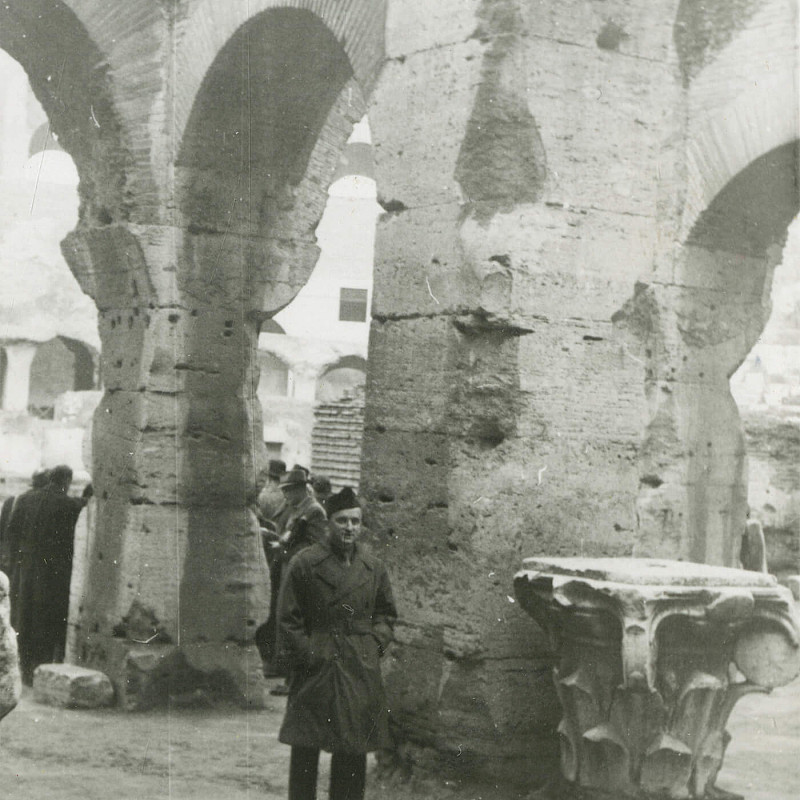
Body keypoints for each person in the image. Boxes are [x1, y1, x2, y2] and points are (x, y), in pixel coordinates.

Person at [276, 487, 397, 800]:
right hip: (317, 664)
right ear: (328, 523)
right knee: (306, 747)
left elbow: (386, 614)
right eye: (342, 521)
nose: (349, 528)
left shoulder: (373, 568)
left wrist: (373, 645)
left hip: (358, 665)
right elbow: (288, 619)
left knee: (353, 748)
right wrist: (310, 654)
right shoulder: (305, 563)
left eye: (355, 521)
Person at [5, 465, 92, 683]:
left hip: (24, 571)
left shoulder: (24, 499)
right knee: (47, 620)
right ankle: (41, 668)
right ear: (67, 482)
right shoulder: (69, 504)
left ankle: (23, 669)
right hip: (53, 574)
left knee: (23, 617)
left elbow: (11, 533)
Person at [259, 467, 327, 692]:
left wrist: (283, 545)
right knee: (285, 620)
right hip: (291, 569)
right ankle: (288, 675)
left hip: (303, 574)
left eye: (289, 490)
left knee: (295, 623)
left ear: (300, 489)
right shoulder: (299, 508)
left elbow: (315, 546)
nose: (285, 495)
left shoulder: (313, 510)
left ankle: (293, 681)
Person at [0, 469, 50, 576]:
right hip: (28, 556)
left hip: (14, 553)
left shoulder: (15, 499)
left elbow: (6, 529)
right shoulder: (41, 502)